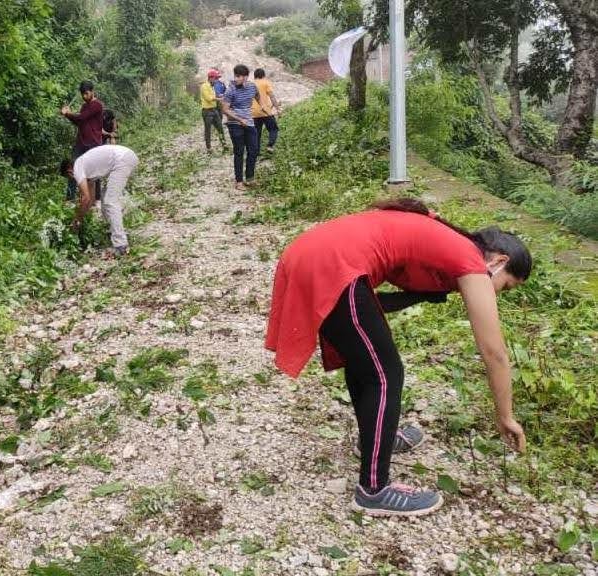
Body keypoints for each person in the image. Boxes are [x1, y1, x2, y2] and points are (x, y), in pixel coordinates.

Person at [265, 199, 530, 517]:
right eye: (508, 286)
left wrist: (419, 296)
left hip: (314, 254)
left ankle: (375, 443)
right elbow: (495, 353)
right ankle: (373, 490)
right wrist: (505, 417)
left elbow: (375, 303)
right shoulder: (470, 260)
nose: (500, 292)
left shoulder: (446, 240)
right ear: (500, 261)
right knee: (385, 374)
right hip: (333, 264)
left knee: (367, 363)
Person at [60, 144, 139, 256]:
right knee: (104, 200)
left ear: (69, 171)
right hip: (126, 156)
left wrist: (77, 219)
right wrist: (82, 215)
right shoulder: (85, 167)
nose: (74, 180)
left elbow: (86, 198)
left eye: (70, 178)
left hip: (122, 160)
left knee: (110, 201)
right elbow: (91, 199)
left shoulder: (77, 167)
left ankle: (121, 245)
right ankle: (116, 231)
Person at [220, 64, 261, 191]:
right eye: (235, 76)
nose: (236, 78)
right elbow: (225, 110)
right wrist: (239, 119)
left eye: (239, 76)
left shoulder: (252, 87)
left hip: (249, 122)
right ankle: (239, 181)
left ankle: (250, 178)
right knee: (239, 151)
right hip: (235, 124)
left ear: (245, 77)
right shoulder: (230, 90)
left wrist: (262, 106)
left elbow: (258, 96)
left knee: (253, 150)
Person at [61, 80, 104, 201]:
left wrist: (68, 113)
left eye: (86, 93)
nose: (84, 96)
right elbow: (79, 122)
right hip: (81, 142)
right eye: (82, 94)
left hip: (93, 143)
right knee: (74, 167)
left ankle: (96, 198)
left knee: (95, 170)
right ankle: (70, 197)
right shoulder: (84, 106)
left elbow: (82, 117)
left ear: (92, 92)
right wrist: (68, 115)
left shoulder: (97, 105)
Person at [252, 68, 281, 154]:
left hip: (254, 113)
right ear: (263, 75)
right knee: (273, 129)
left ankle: (256, 152)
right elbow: (272, 96)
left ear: (255, 76)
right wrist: (277, 108)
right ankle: (270, 145)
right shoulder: (266, 82)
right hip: (266, 111)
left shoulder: (251, 84)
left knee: (257, 133)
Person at [199, 69, 228, 154]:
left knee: (220, 128)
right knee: (208, 130)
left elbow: (215, 96)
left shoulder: (212, 86)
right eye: (215, 78)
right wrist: (220, 99)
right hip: (207, 111)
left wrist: (221, 97)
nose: (216, 80)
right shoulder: (204, 86)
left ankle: (224, 145)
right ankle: (209, 148)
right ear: (210, 78)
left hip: (214, 110)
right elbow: (209, 98)